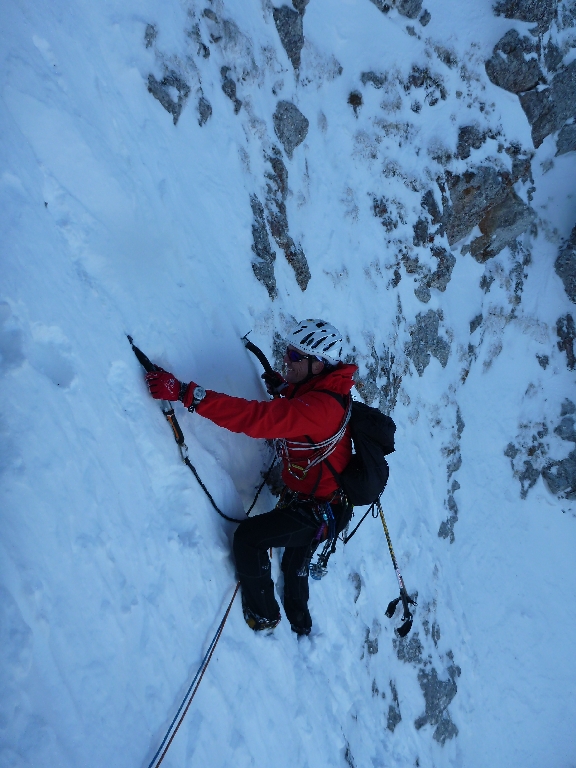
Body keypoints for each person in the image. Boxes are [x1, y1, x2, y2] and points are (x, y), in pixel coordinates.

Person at [145, 319, 357, 635]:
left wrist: (186, 393)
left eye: (297, 357)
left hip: (317, 511)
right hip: (324, 504)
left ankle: (265, 617)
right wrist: (287, 389)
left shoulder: (319, 407)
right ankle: (301, 624)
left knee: (249, 539)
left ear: (318, 365)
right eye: (289, 352)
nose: (287, 359)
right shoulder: (324, 390)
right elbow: (306, 407)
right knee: (295, 564)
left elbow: (255, 419)